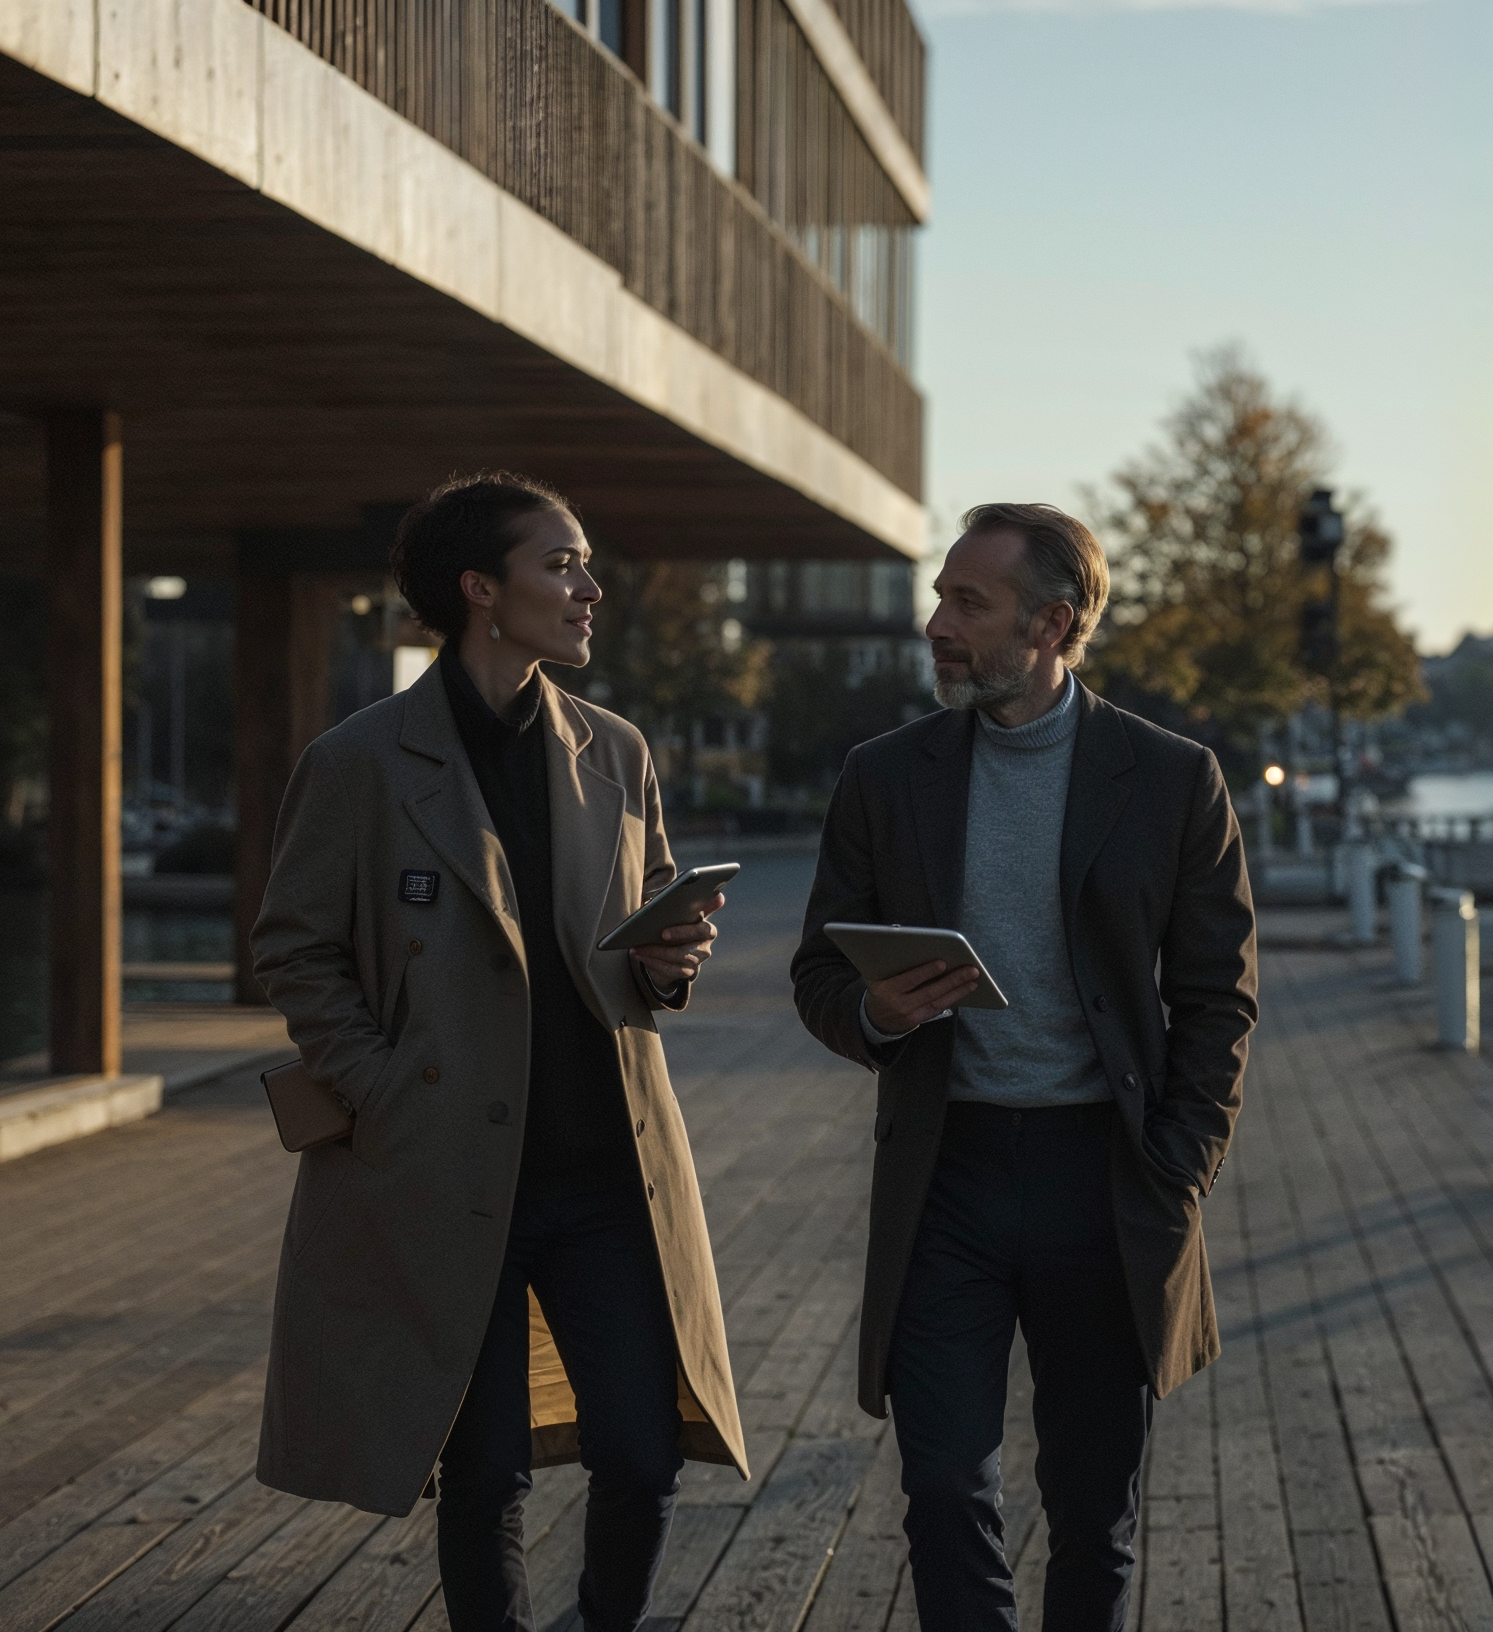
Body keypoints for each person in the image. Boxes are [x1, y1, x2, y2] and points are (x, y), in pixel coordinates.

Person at [251, 471, 747, 1631]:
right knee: (482, 1475)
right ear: (481, 590)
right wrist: (381, 1087)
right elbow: (293, 947)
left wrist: (668, 961)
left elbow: (632, 948)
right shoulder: (360, 763)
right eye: (560, 564)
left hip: (607, 1178)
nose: (589, 587)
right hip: (443, 1172)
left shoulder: (614, 753)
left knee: (641, 1451)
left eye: (582, 564)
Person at [790, 503, 1259, 1629]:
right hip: (942, 1179)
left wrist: (1176, 1171)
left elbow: (1216, 1000)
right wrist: (878, 1013)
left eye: (967, 603)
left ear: (1051, 623)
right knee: (944, 1485)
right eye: (941, 594)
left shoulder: (1169, 778)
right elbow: (818, 973)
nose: (935, 622)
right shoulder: (883, 775)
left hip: (1103, 1180)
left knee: (1093, 1506)